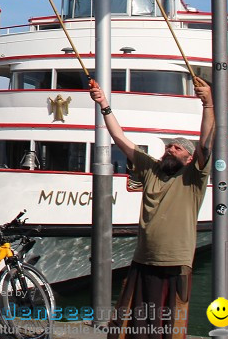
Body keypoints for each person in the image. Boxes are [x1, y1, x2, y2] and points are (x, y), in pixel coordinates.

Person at [88, 75, 214, 337]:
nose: (170, 149)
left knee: (168, 328)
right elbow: (119, 137)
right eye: (169, 146)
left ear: (189, 159)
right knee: (132, 327)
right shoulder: (151, 169)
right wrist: (103, 104)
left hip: (176, 264)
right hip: (143, 260)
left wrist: (208, 104)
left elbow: (205, 142)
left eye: (178, 148)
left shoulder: (194, 177)